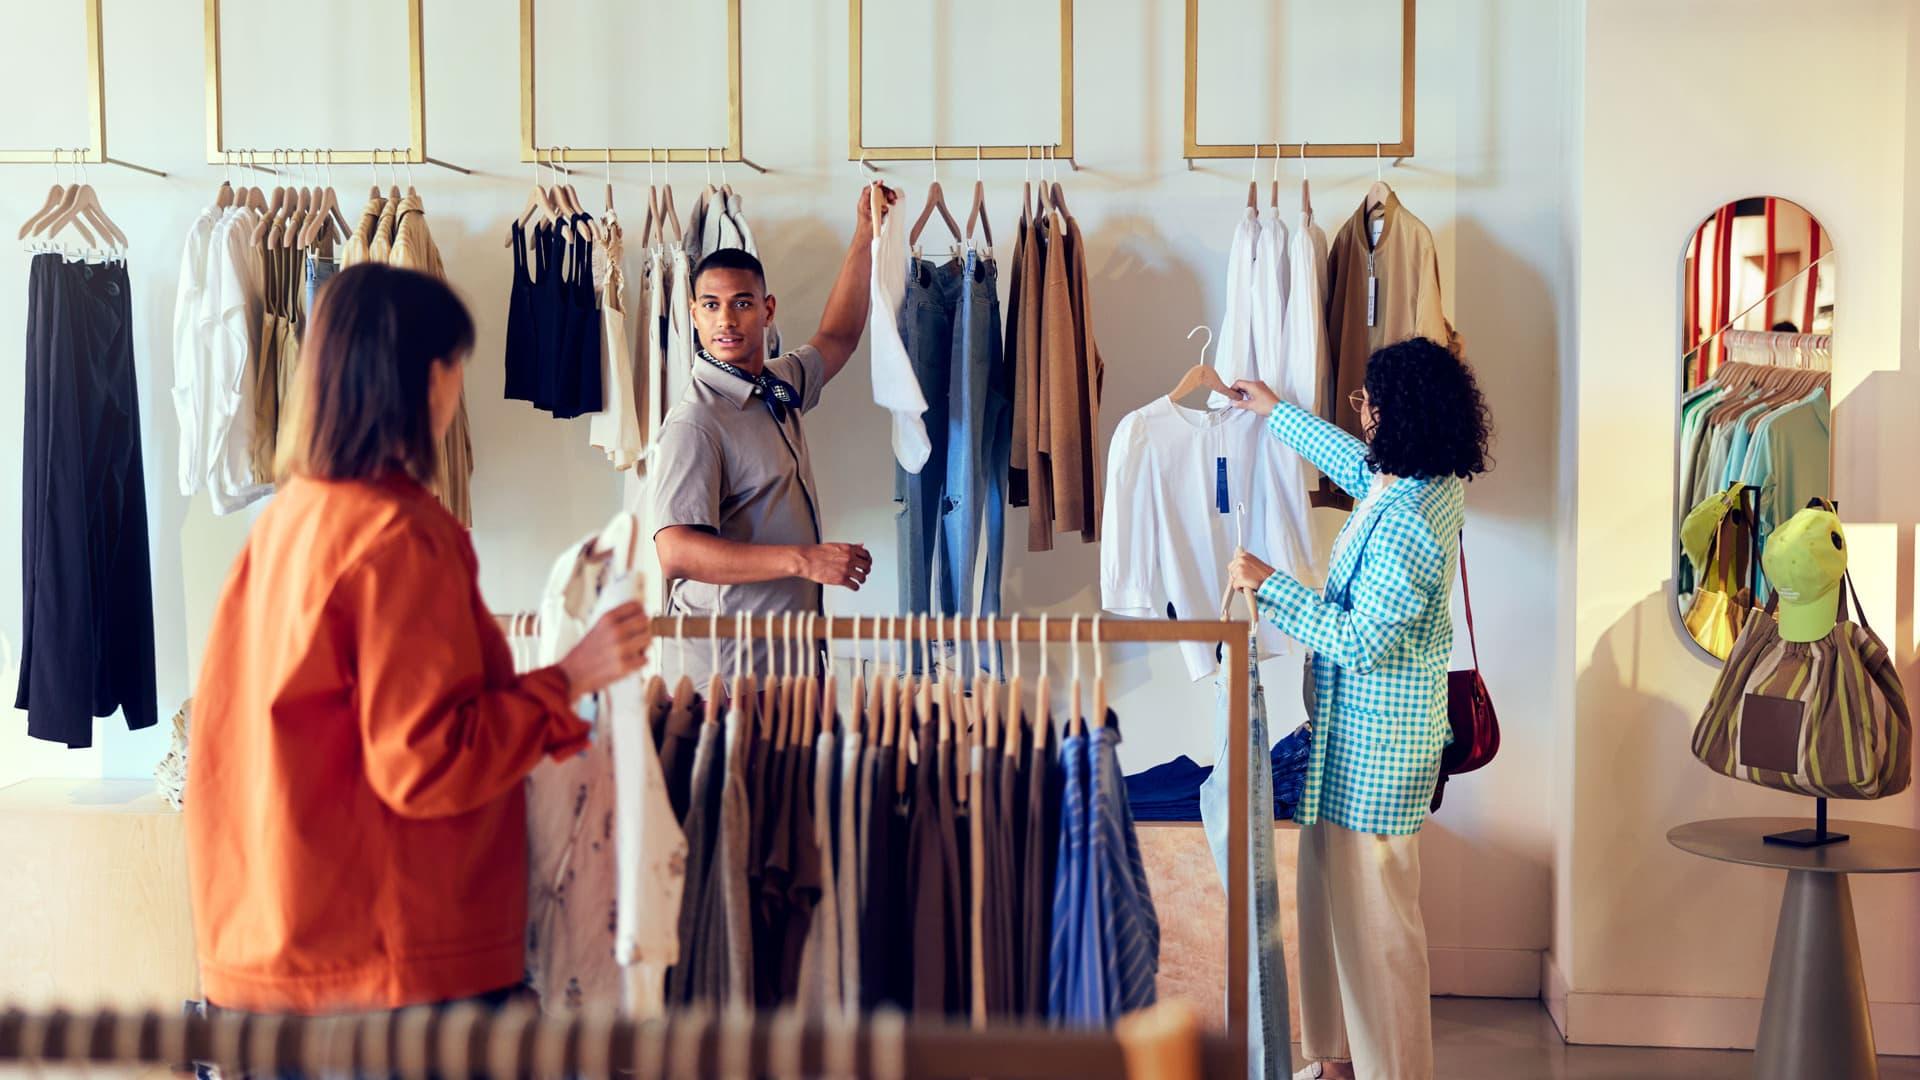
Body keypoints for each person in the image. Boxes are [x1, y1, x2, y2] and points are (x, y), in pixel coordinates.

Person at [184, 264, 654, 1015]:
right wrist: (569, 677)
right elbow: (427, 760)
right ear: (430, 378)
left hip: (270, 937)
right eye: (456, 369)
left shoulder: (284, 522)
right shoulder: (399, 535)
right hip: (394, 957)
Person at [1225, 336, 1492, 1080]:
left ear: (1395, 415)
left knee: (1378, 931)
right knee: (1330, 906)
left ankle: (1393, 1072)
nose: (1362, 412)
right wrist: (1279, 414)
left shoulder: (1412, 519)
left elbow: (1361, 639)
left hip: (1382, 753)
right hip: (1348, 745)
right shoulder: (1416, 481)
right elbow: (1356, 467)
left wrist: (1270, 582)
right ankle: (1338, 1062)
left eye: (1367, 402)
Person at [652, 183, 898, 679]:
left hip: (792, 656)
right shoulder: (695, 423)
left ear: (767, 310)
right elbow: (675, 551)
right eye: (711, 305)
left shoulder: (775, 383)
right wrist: (805, 561)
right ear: (695, 315)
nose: (726, 319)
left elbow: (838, 337)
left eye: (742, 304)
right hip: (730, 671)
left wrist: (865, 236)